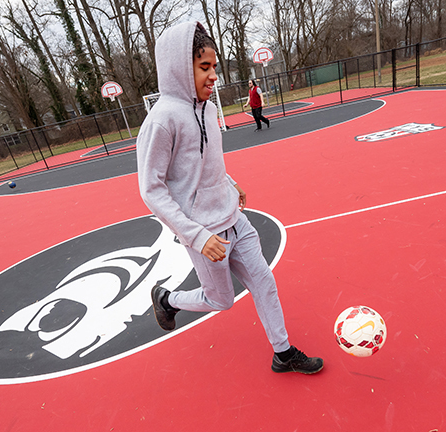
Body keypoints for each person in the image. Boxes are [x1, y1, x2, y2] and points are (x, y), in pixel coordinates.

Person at [136, 21, 323, 374]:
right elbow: (151, 189)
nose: (213, 77)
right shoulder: (161, 122)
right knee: (220, 300)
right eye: (203, 68)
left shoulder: (207, 107)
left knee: (264, 281)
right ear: (180, 67)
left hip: (234, 218)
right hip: (205, 233)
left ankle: (283, 353)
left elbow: (206, 161)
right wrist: (197, 236)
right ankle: (168, 299)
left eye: (214, 68)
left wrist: (231, 182)